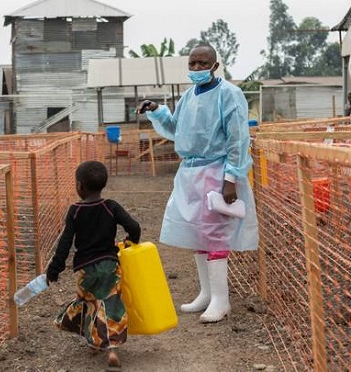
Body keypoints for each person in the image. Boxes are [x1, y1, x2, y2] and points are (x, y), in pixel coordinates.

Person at [135, 44, 259, 323]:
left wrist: (231, 179)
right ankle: (206, 293)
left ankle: (221, 300)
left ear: (215, 66)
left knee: (216, 234)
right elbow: (177, 129)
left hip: (217, 172)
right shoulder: (189, 95)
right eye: (193, 64)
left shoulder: (229, 94)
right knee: (197, 234)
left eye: (203, 64)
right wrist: (157, 111)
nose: (197, 69)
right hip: (190, 174)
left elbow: (238, 139)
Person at [46, 160, 141, 371]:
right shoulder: (111, 206)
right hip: (109, 265)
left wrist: (55, 268)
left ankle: (95, 343)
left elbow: (65, 242)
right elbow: (133, 226)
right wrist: (131, 241)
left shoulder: (75, 211)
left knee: (89, 303)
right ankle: (112, 349)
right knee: (110, 304)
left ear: (79, 186)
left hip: (85, 269)